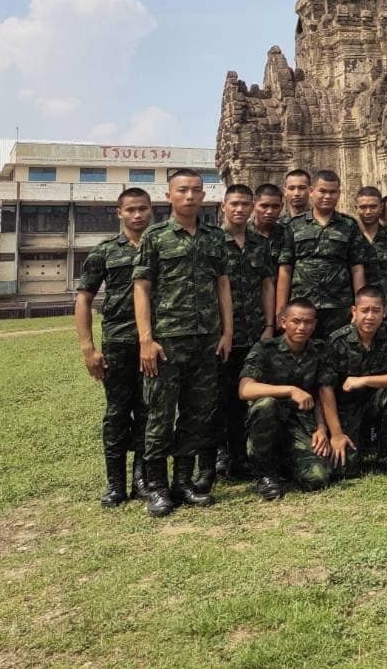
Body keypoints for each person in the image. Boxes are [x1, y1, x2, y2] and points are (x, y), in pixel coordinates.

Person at [133, 169, 233, 517]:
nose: (190, 196)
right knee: (159, 414)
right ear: (169, 195)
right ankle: (157, 487)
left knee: (197, 413)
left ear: (204, 196)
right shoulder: (155, 237)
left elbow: (222, 284)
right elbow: (142, 288)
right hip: (167, 342)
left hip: (206, 339)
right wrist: (146, 339)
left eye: (196, 190)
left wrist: (227, 332)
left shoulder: (213, 237)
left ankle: (183, 482)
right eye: (182, 190)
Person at [75, 186, 154, 507]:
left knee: (149, 412)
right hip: (119, 342)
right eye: (131, 210)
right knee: (118, 413)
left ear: (152, 210)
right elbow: (84, 299)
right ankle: (115, 483)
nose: (138, 215)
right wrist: (88, 348)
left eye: (143, 209)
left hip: (153, 343)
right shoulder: (105, 251)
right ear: (119, 213)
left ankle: (143, 479)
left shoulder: (159, 245)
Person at [210, 183, 276, 485]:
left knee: (244, 396)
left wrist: (268, 325)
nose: (239, 209)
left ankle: (239, 458)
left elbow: (267, 284)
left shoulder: (260, 244)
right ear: (224, 206)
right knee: (218, 398)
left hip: (253, 333)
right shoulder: (211, 241)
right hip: (222, 334)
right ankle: (218, 456)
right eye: (234, 204)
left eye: (245, 204)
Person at [238, 297, 333, 500]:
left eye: (308, 322)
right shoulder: (265, 348)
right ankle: (265, 474)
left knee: (317, 479)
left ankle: (287, 462)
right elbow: (245, 389)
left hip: (300, 422)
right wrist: (289, 390)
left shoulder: (319, 350)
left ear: (314, 324)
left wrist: (321, 428)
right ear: (283, 322)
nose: (302, 327)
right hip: (268, 422)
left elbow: (320, 392)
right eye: (296, 321)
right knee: (266, 404)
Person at [318, 288, 387, 477]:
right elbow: (325, 388)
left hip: (376, 402)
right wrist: (336, 434)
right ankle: (360, 446)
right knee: (344, 471)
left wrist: (364, 380)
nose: (370, 316)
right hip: (346, 409)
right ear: (354, 311)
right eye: (364, 310)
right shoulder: (337, 340)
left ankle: (385, 456)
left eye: (376, 311)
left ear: (384, 312)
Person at [276, 169, 371, 340]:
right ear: (312, 192)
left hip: (339, 306)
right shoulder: (293, 225)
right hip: (302, 306)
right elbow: (286, 269)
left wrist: (360, 307)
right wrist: (281, 309)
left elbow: (357, 268)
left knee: (338, 355)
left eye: (332, 192)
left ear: (339, 194)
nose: (327, 196)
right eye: (322, 191)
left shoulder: (349, 225)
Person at [355, 185, 387, 321]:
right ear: (356, 207)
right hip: (362, 313)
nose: (368, 211)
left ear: (381, 207)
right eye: (363, 207)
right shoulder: (350, 236)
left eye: (373, 206)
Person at [251, 183, 286, 248]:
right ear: (253, 205)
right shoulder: (241, 233)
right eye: (264, 206)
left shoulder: (287, 234)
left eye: (275, 207)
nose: (270, 211)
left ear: (281, 207)